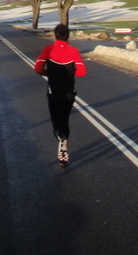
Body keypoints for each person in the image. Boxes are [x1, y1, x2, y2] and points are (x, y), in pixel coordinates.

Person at [34, 23, 87, 167]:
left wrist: (48, 73)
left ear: (55, 35)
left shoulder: (48, 49)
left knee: (56, 123)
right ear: (68, 36)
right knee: (65, 120)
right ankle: (64, 153)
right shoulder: (74, 51)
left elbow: (37, 67)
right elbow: (82, 72)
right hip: (69, 92)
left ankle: (60, 138)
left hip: (54, 91)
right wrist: (70, 74)